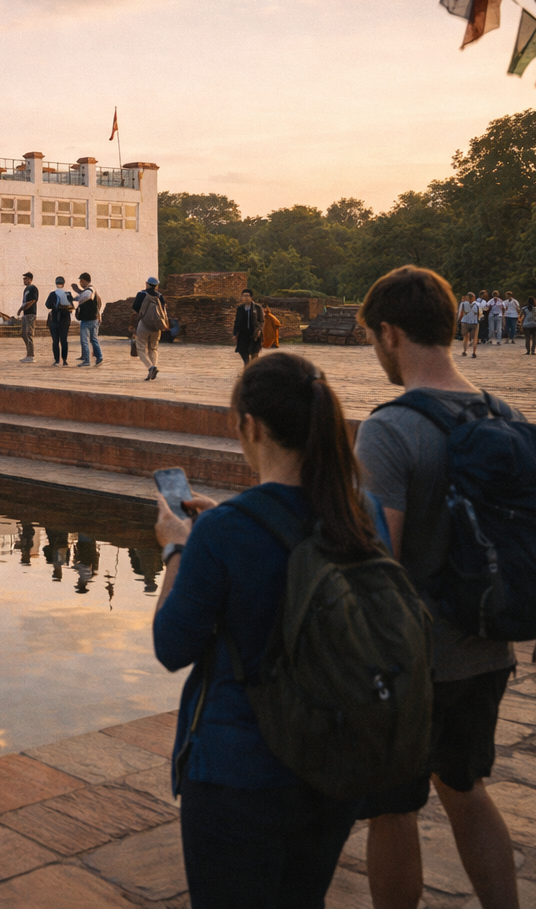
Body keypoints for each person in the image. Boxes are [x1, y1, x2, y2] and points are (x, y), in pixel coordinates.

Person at [153, 351, 378, 908]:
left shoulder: (225, 532)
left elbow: (171, 645)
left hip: (239, 767)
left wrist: (178, 547)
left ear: (251, 426)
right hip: (333, 758)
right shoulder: (362, 512)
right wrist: (225, 520)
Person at [355, 266, 531, 909]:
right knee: (466, 791)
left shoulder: (390, 427)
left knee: (394, 809)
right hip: (487, 646)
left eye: (375, 341)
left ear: (391, 333)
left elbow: (382, 557)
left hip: (415, 656)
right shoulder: (500, 412)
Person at [133, 276, 167, 380]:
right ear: (156, 286)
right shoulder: (160, 296)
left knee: (141, 348)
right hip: (156, 325)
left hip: (143, 324)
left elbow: (135, 309)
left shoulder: (141, 294)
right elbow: (164, 310)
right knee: (153, 348)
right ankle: (154, 366)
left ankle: (150, 367)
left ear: (147, 284)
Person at [2, 271, 39, 363]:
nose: (24, 281)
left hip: (31, 314)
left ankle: (31, 355)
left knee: (29, 334)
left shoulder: (33, 288)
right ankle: (28, 353)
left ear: (30, 280)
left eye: (26, 279)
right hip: (25, 314)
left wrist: (22, 308)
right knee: (23, 333)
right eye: (24, 279)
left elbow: (33, 300)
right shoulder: (26, 290)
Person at [72, 272, 103, 367]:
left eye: (82, 281)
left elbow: (84, 297)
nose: (81, 283)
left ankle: (86, 360)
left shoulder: (89, 290)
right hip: (93, 318)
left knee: (84, 340)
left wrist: (77, 298)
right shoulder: (92, 290)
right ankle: (99, 357)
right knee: (93, 339)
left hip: (87, 319)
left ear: (86, 281)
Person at [45, 275, 74, 366]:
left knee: (55, 341)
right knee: (64, 340)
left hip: (54, 319)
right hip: (65, 319)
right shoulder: (68, 294)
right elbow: (71, 306)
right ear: (63, 284)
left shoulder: (53, 294)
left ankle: (57, 360)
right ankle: (64, 360)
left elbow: (47, 305)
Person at [233, 288, 264, 366]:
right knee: (242, 351)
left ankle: (253, 369)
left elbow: (261, 321)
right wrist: (235, 333)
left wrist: (259, 330)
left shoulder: (257, 308)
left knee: (254, 353)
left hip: (254, 333)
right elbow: (237, 321)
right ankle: (247, 365)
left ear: (251, 297)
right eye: (244, 296)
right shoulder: (240, 309)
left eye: (247, 296)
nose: (245, 298)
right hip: (243, 334)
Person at [456, 291, 479, 358]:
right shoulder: (477, 304)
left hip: (465, 322)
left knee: (465, 337)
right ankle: (474, 352)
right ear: (474, 298)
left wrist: (459, 321)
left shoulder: (463, 304)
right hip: (474, 322)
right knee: (475, 337)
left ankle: (464, 351)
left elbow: (460, 313)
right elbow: (480, 314)